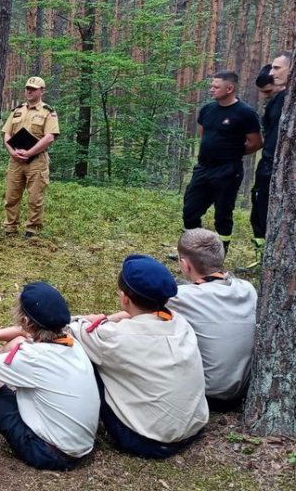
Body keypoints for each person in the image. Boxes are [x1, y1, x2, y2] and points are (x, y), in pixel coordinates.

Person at [0, 282, 99, 470]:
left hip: (49, 453)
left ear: (26, 320)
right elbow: (21, 333)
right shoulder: (69, 340)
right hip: (77, 445)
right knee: (16, 342)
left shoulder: (32, 358)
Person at [68, 255, 209, 459]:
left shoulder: (112, 338)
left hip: (146, 441)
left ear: (124, 298)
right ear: (166, 299)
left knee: (86, 355)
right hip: (194, 428)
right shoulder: (181, 324)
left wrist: (96, 320)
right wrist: (114, 318)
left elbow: (62, 327)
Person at [169, 229, 256, 410]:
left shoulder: (180, 298)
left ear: (185, 265)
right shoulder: (247, 289)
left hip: (207, 394)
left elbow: (141, 311)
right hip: (245, 389)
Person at [183, 71, 262, 253]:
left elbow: (256, 143)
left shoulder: (245, 113)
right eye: (211, 86)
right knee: (190, 210)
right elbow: (204, 134)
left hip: (228, 171)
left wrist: (232, 153)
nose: (211, 90)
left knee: (223, 215)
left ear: (230, 88)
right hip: (203, 168)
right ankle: (194, 250)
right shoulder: (207, 110)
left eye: (216, 87)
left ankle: (219, 255)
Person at [1, 76, 59, 238]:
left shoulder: (48, 112)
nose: (29, 91)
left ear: (42, 91)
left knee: (35, 197)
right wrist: (12, 151)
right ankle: (10, 227)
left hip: (37, 161)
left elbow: (49, 137)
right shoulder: (17, 110)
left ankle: (32, 229)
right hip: (16, 160)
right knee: (11, 195)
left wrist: (30, 152)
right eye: (28, 88)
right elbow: (6, 133)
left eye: (33, 89)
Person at [250, 52, 291, 264]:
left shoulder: (287, 101)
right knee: (260, 207)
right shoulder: (276, 103)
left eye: (277, 68)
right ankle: (264, 255)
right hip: (268, 165)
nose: (272, 73)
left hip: (278, 167)